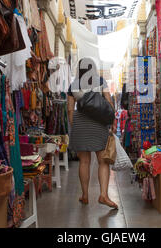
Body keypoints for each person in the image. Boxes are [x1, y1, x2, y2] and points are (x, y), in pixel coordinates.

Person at [67, 58, 118, 209]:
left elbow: (70, 109)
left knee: (84, 162)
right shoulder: (101, 81)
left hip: (80, 123)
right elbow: (109, 103)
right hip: (99, 123)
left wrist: (73, 125)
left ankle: (85, 195)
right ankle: (103, 195)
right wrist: (111, 122)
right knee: (103, 161)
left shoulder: (74, 85)